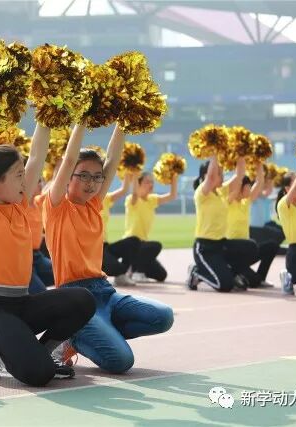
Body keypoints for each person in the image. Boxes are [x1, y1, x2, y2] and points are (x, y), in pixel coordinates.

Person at [0, 122, 96, 386]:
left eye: (24, 174)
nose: (26, 181)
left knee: (83, 300)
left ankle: (46, 352)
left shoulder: (20, 204)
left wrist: (46, 114)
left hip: (21, 304)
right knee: (38, 375)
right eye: (18, 175)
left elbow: (37, 156)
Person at [43, 123, 173, 374]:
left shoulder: (94, 205)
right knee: (121, 361)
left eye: (96, 177)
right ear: (68, 175)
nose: (91, 183)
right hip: (75, 297)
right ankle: (73, 339)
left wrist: (124, 121)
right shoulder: (56, 207)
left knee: (163, 317)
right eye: (83, 175)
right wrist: (83, 119)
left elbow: (112, 160)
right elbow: (69, 159)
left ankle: (94, 333)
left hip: (104, 291)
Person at [186, 157, 254, 292]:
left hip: (221, 244)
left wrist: (241, 154)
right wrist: (215, 151)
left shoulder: (221, 192)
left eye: (222, 173)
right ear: (206, 176)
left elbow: (239, 175)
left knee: (251, 247)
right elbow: (211, 177)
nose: (222, 176)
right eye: (219, 173)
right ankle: (197, 273)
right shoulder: (202, 193)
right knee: (225, 285)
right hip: (205, 248)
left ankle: (232, 273)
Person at [225, 162, 277, 288]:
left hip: (246, 250)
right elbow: (237, 181)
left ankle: (258, 277)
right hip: (232, 250)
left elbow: (259, 182)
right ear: (240, 188)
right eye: (248, 187)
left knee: (272, 246)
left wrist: (258, 162)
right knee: (254, 281)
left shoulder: (246, 202)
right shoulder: (228, 202)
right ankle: (233, 272)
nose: (250, 189)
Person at [124, 171, 178, 283]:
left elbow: (172, 196)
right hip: (132, 244)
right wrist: (135, 173)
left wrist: (174, 176)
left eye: (152, 182)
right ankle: (136, 272)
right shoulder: (132, 199)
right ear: (138, 184)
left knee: (161, 275)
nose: (151, 185)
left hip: (143, 246)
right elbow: (135, 194)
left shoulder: (152, 200)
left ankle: (132, 268)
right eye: (147, 182)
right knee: (156, 246)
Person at [101, 173, 138, 287]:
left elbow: (124, 190)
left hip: (104, 246)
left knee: (133, 241)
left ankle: (120, 275)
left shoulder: (105, 198)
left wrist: (129, 170)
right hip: (91, 249)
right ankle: (118, 272)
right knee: (117, 268)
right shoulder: (82, 200)